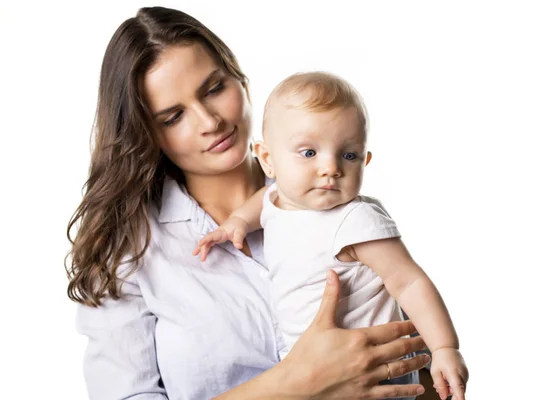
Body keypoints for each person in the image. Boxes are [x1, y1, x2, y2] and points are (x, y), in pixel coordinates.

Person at [66, 6, 433, 400]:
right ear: (146, 134)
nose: (210, 121)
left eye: (214, 89)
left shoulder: (337, 199)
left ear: (239, 77)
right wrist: (294, 385)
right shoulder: (129, 253)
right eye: (173, 117)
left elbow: (419, 367)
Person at [196, 72, 469, 399]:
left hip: (373, 378)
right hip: (313, 375)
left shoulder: (355, 220)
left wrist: (444, 347)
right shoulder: (275, 200)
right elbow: (263, 203)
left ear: (366, 162)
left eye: (349, 155)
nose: (331, 168)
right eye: (309, 153)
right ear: (268, 160)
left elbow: (409, 282)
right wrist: (238, 221)